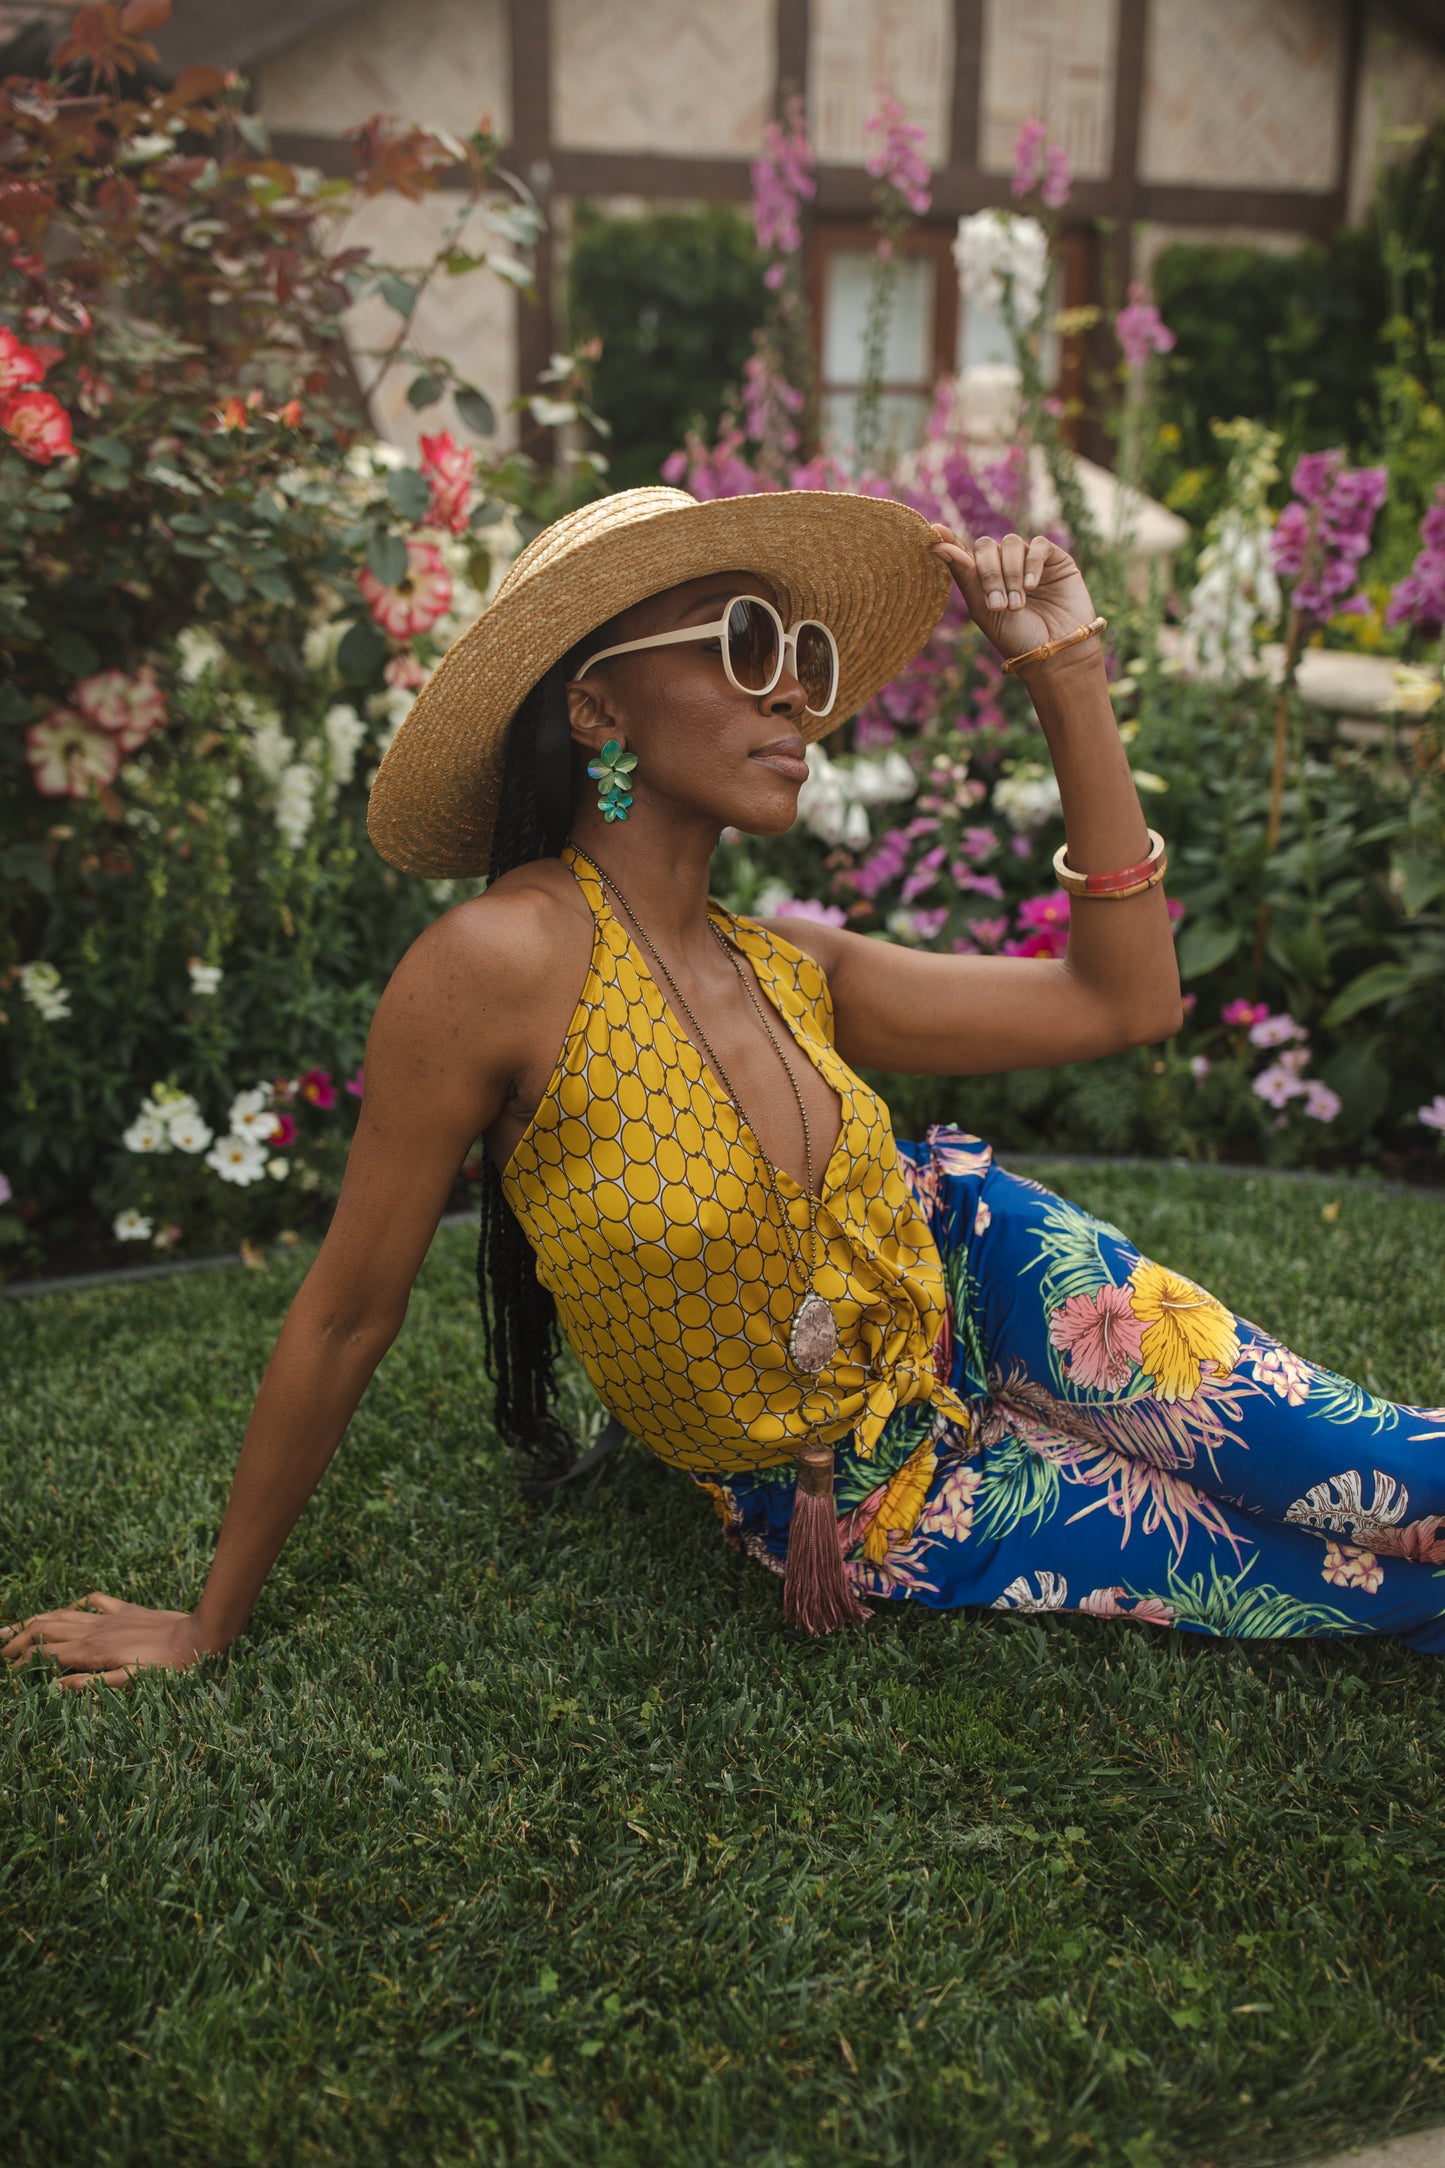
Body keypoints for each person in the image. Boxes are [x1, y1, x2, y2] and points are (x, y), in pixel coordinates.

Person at [7, 485, 1445, 1687]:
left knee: (1383, 1475)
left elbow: (1124, 999)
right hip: (857, 1495)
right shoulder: (495, 964)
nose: (794, 696)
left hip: (994, 1275)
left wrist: (1062, 675)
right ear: (596, 705)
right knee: (1356, 1577)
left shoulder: (791, 963)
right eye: (746, 644)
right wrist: (210, 1623)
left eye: (805, 660)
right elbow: (346, 1307)